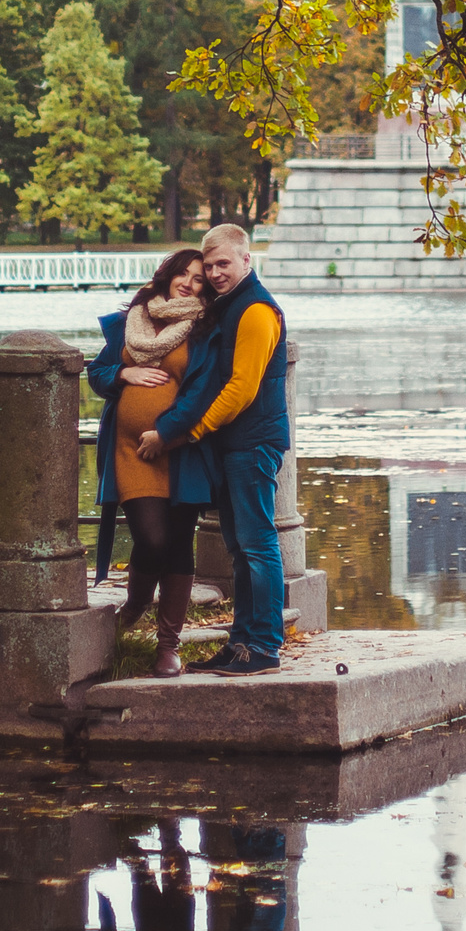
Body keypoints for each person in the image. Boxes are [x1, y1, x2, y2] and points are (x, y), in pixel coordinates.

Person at [140, 222, 288, 676]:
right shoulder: (227, 307)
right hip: (233, 444)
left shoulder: (257, 311)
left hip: (253, 442)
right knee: (241, 548)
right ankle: (241, 644)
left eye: (224, 263)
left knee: (259, 545)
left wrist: (194, 429)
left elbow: (242, 387)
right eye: (210, 266)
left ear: (247, 259)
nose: (216, 272)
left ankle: (264, 646)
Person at [85, 248, 215, 677]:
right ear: (167, 275)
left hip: (180, 449)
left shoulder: (203, 327)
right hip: (130, 450)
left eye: (198, 279)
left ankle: (168, 646)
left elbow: (203, 389)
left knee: (178, 541)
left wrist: (169, 434)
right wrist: (124, 375)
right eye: (183, 273)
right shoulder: (133, 319)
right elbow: (97, 372)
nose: (188, 282)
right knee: (151, 537)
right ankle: (137, 605)